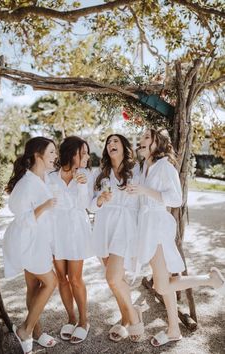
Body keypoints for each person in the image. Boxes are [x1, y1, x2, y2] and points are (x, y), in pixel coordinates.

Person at [127, 127, 225, 347]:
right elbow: (142, 196)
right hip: (147, 227)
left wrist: (144, 191)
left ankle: (210, 280)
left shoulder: (165, 166)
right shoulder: (145, 166)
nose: (140, 140)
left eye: (146, 138)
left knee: (161, 286)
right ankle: (173, 330)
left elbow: (175, 199)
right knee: (164, 283)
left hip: (158, 227)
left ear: (157, 144)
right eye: (140, 136)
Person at [3, 137, 58, 354]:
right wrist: (44, 206)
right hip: (27, 240)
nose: (55, 156)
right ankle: (25, 330)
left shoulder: (43, 177)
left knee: (34, 286)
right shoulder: (26, 183)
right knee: (50, 282)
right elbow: (19, 215)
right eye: (52, 152)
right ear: (38, 155)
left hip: (40, 239)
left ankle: (36, 332)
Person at [90, 134, 144, 343]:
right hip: (104, 227)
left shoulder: (137, 169)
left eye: (115, 141)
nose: (111, 144)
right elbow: (91, 205)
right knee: (116, 281)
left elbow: (143, 199)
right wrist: (100, 200)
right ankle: (125, 319)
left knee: (112, 278)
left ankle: (133, 317)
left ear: (123, 147)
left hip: (125, 227)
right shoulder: (100, 172)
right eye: (108, 142)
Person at [49, 136, 93, 344]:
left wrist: (83, 185)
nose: (86, 157)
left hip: (76, 230)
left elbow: (86, 205)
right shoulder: (50, 176)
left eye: (86, 153)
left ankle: (84, 321)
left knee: (75, 278)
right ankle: (71, 317)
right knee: (61, 278)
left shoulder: (86, 174)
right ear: (70, 153)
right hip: (56, 231)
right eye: (82, 153)